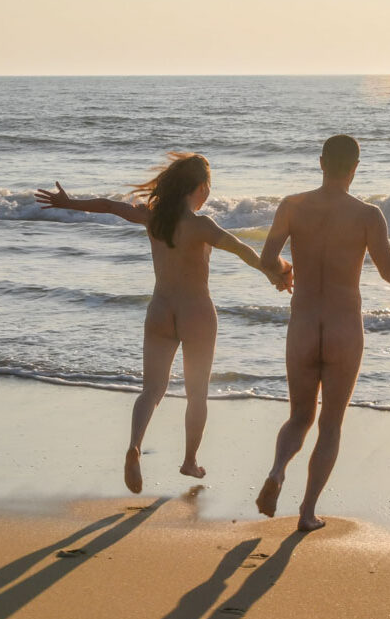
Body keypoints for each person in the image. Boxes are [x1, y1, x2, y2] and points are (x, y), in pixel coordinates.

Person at [36, 153, 292, 494]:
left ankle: (135, 446)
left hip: (159, 310)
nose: (208, 195)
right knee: (196, 395)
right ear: (199, 188)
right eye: (208, 189)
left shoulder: (152, 218)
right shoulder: (203, 226)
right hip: (196, 313)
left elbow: (110, 206)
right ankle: (189, 461)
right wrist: (275, 274)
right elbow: (245, 252)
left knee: (152, 390)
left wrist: (69, 202)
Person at [256, 134, 390, 532]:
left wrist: (284, 272)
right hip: (343, 328)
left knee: (299, 416)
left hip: (302, 325)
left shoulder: (291, 206)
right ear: (355, 167)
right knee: (330, 423)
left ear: (320, 163)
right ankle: (307, 512)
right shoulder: (368, 215)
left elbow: (266, 260)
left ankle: (278, 470)